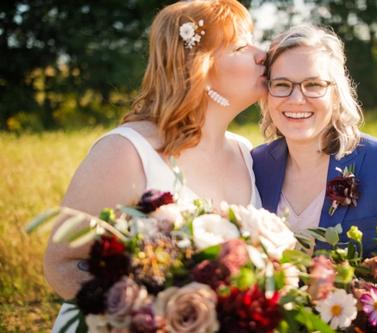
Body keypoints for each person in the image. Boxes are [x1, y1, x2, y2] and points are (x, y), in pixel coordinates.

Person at [45, 0, 266, 331]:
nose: (261, 53)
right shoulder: (126, 151)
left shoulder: (246, 152)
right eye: (240, 46)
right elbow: (62, 263)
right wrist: (147, 316)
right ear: (199, 67)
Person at [251, 24, 377, 329]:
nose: (296, 99)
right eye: (282, 84)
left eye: (313, 84)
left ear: (337, 92)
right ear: (267, 93)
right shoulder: (255, 165)